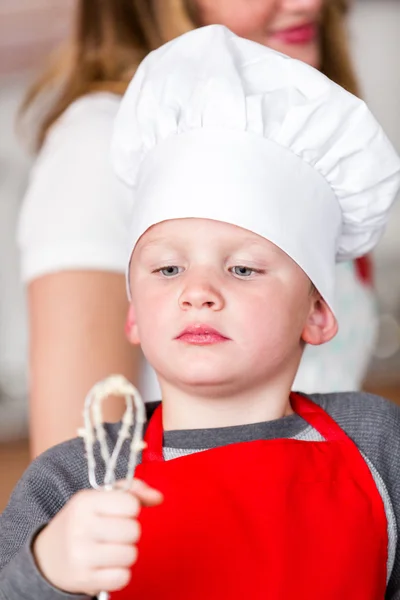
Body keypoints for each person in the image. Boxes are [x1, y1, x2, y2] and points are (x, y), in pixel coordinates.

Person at [3, 26, 400, 599]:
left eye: (242, 269)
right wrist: (46, 571)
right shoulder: (74, 477)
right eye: (168, 271)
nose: (198, 292)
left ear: (317, 313)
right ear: (133, 315)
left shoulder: (380, 444)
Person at [17, 0, 378, 458]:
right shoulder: (98, 148)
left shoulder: (302, 151)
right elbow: (79, 474)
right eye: (168, 268)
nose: (308, 2)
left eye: (243, 268)